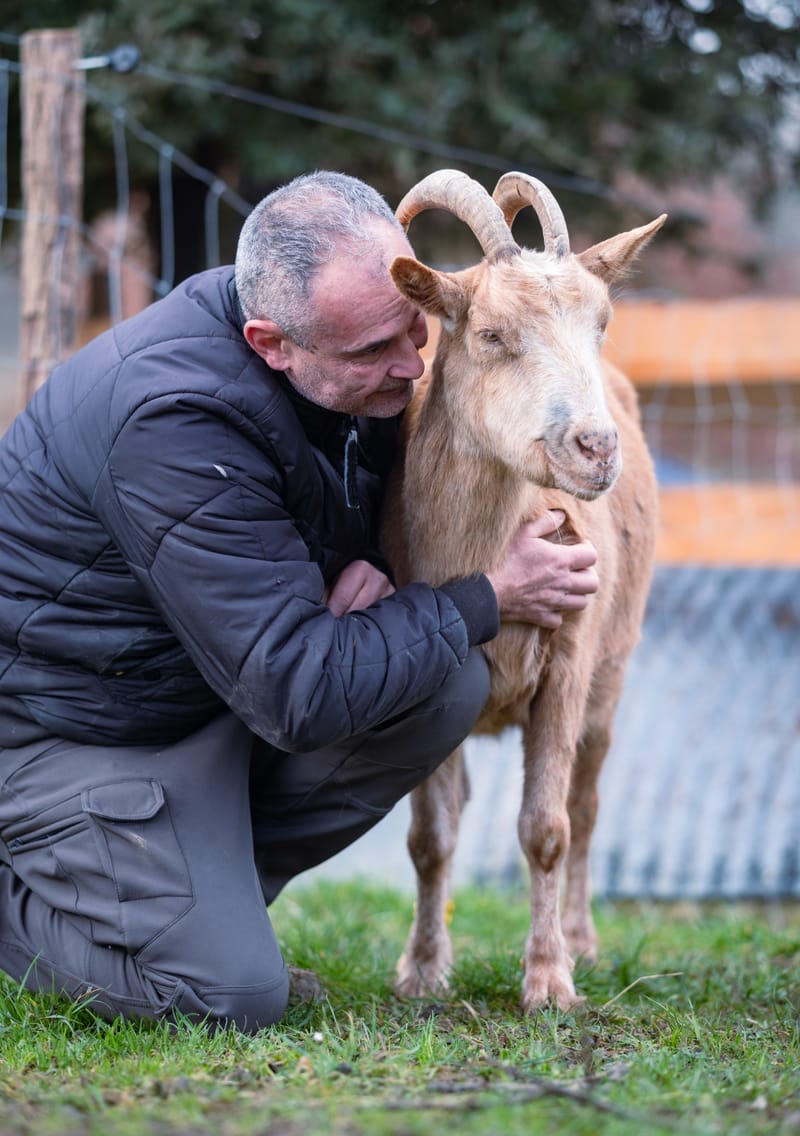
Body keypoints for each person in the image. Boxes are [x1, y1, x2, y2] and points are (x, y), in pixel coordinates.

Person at [0, 171, 599, 1032]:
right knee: (228, 994)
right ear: (270, 342)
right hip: (71, 734)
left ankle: (195, 901)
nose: (410, 366)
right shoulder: (173, 420)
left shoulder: (356, 369)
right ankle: (42, 903)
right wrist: (490, 592)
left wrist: (359, 578)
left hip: (191, 697)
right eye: (371, 354)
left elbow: (316, 587)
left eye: (414, 330)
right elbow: (296, 688)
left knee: (441, 683)